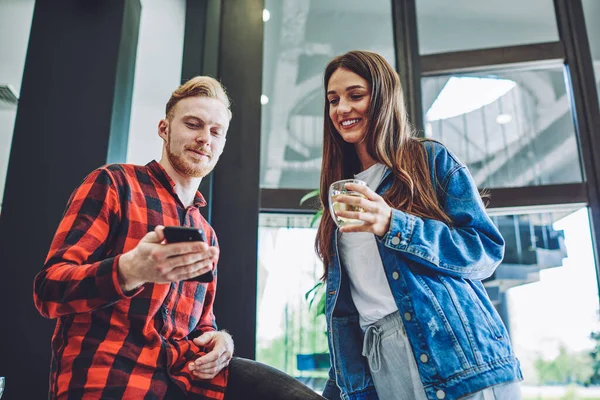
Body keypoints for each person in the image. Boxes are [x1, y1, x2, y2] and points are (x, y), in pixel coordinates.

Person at [34, 76, 324, 400]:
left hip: (188, 380)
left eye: (216, 132)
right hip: (113, 378)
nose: (205, 139)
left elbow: (201, 326)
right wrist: (130, 270)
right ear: (164, 128)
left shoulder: (208, 235)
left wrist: (220, 341)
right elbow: (49, 291)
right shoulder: (114, 184)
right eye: (193, 124)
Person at [315, 51, 523, 400]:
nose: (341, 109)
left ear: (382, 97)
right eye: (333, 100)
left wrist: (393, 223)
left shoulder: (429, 160)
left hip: (456, 354)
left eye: (355, 95)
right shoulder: (340, 192)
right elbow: (351, 309)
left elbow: (485, 250)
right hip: (382, 358)